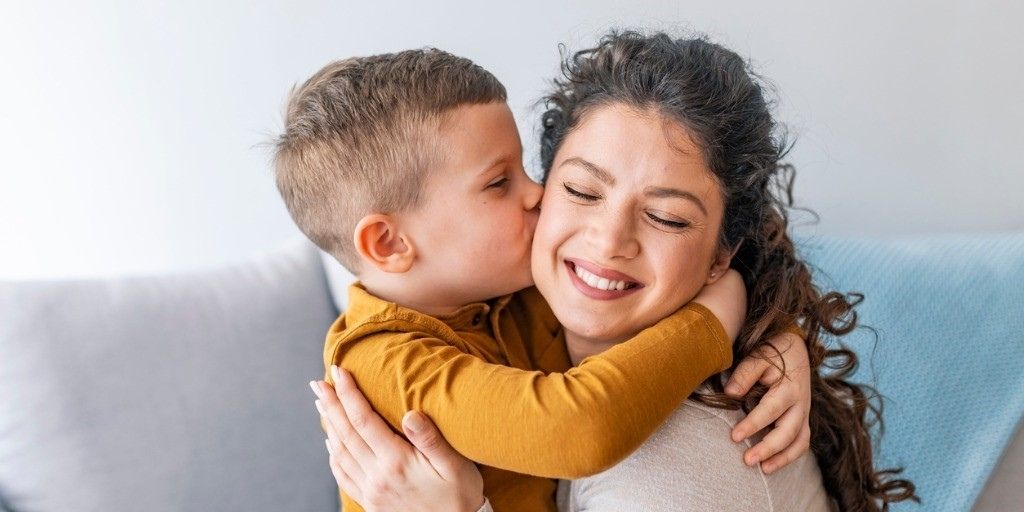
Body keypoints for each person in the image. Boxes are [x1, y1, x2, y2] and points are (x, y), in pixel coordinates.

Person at [316, 32, 920, 511]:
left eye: (666, 218)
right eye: (579, 189)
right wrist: (738, 309)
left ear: (721, 253)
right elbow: (574, 423)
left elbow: (581, 426)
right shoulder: (456, 316)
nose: (608, 241)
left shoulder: (670, 476)